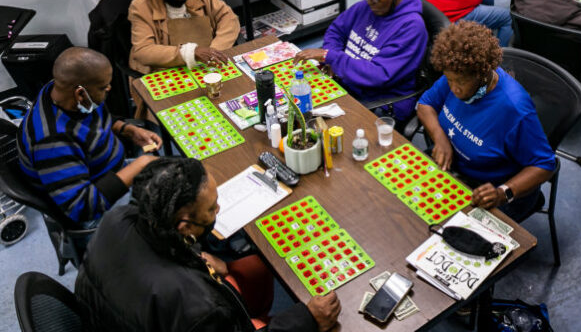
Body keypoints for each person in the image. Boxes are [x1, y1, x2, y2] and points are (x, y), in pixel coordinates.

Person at [76, 157, 341, 332]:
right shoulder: (201, 310)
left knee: (254, 266)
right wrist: (306, 320)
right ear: (185, 226)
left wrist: (193, 254)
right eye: (211, 208)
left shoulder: (118, 217)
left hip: (117, 315)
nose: (219, 208)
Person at [416, 22, 556, 221]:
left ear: (482, 73)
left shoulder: (515, 109)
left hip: (490, 189)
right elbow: (425, 105)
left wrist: (502, 193)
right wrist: (440, 138)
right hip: (455, 168)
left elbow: (544, 164)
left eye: (461, 83)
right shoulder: (456, 72)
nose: (454, 89)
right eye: (449, 80)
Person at [16, 47, 161, 226]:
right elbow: (82, 208)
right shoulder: (52, 142)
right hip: (95, 208)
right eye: (103, 87)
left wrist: (127, 130)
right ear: (80, 93)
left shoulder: (62, 93)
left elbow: (95, 118)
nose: (109, 88)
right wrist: (139, 166)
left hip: (106, 171)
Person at [294, 0, 427, 124]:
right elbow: (336, 31)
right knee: (295, 103)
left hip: (379, 101)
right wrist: (331, 59)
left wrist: (332, 58)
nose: (371, 2)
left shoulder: (412, 27)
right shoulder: (365, 7)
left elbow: (379, 75)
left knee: (322, 133)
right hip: (346, 80)